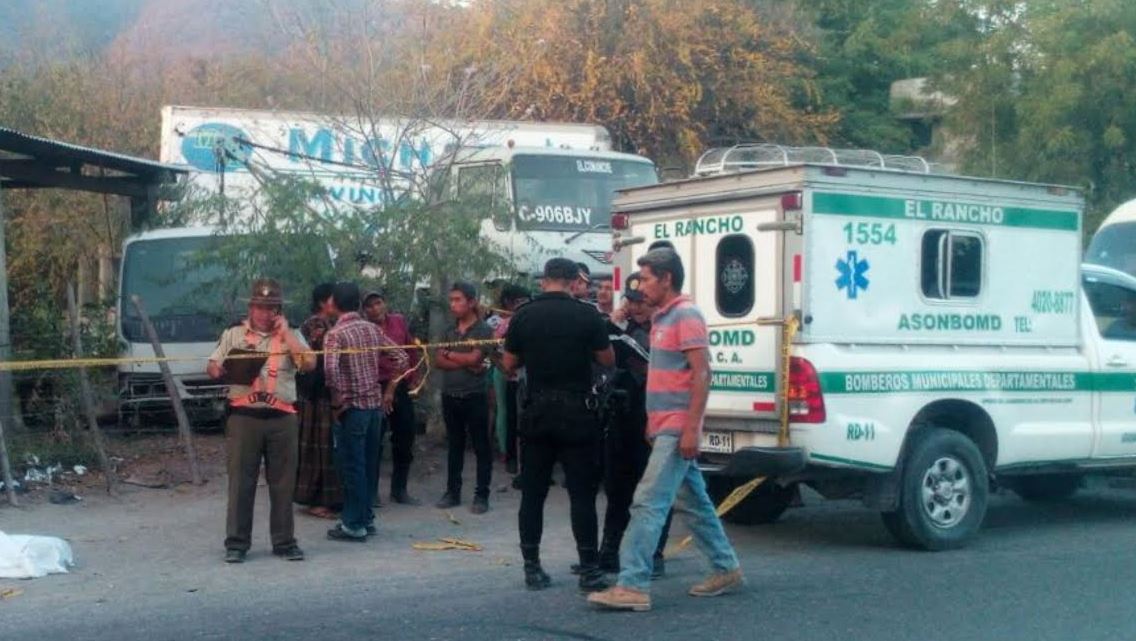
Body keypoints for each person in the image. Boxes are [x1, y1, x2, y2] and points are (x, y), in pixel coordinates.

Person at [588, 249, 744, 612]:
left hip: (677, 428)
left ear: (666, 278)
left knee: (646, 503)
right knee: (695, 504)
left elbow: (702, 373)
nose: (640, 286)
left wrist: (691, 429)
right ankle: (725, 568)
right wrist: (651, 420)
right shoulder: (663, 318)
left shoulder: (686, 315)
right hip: (665, 426)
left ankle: (632, 584)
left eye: (645, 278)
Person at [503, 258, 615, 592]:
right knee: (581, 494)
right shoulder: (586, 315)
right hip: (577, 413)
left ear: (544, 281)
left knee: (533, 494)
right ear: (572, 281)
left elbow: (509, 364)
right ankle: (590, 569)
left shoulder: (523, 315)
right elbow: (607, 359)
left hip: (537, 413)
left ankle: (532, 567)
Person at [207, 278, 314, 564]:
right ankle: (237, 544)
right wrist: (220, 369)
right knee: (241, 482)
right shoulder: (233, 334)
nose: (264, 313)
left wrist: (287, 335)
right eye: (260, 307)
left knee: (283, 483)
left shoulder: (292, 335)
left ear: (278, 310)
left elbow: (310, 363)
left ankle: (284, 542)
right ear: (251, 307)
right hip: (244, 417)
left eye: (271, 308)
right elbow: (212, 365)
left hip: (282, 418)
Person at [597, 272, 671, 576]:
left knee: (653, 491)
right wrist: (612, 323)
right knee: (617, 488)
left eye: (642, 301)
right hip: (622, 415)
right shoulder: (621, 328)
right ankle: (610, 551)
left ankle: (655, 554)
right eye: (631, 300)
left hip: (653, 416)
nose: (636, 307)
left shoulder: (666, 329)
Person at [324, 282, 403, 542]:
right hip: (375, 407)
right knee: (368, 465)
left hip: (353, 409)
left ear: (333, 304)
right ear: (358, 304)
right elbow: (402, 357)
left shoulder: (336, 334)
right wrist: (388, 383)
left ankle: (353, 524)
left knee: (352, 466)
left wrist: (339, 399)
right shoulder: (371, 329)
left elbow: (331, 371)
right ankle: (366, 519)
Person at [435, 282, 496, 514]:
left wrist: (451, 355)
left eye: (458, 300)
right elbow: (438, 361)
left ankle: (482, 495)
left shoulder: (483, 330)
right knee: (455, 445)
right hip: (450, 395)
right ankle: (453, 491)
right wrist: (466, 360)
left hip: (475, 396)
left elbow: (476, 359)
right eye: (451, 300)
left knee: (481, 446)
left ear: (471, 302)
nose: (453, 305)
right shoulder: (448, 330)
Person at [362, 291, 419, 505]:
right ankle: (372, 491)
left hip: (400, 383)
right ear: (364, 310)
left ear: (385, 303)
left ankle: (400, 489)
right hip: (375, 385)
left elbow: (410, 350)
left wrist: (413, 377)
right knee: (374, 440)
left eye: (378, 303)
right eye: (370, 306)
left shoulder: (398, 321)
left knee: (405, 436)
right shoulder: (365, 330)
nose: (375, 308)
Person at [294, 283, 343, 519]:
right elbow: (318, 363)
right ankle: (317, 500)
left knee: (325, 447)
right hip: (316, 396)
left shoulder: (327, 324)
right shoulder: (316, 325)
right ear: (325, 302)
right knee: (318, 446)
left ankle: (326, 498)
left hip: (320, 393)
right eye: (335, 299)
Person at [491, 285, 531, 477]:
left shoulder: (532, 322)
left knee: (524, 419)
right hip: (513, 377)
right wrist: (504, 369)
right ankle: (511, 457)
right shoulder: (505, 324)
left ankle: (523, 461)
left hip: (528, 378)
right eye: (519, 302)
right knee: (510, 416)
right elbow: (494, 350)